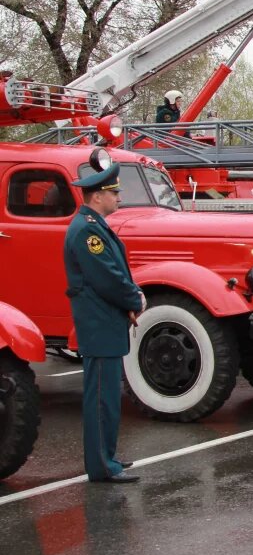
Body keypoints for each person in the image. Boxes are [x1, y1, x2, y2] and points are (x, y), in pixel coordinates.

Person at [64, 162, 146, 483]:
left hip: (106, 323)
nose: (119, 198)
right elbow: (107, 278)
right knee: (101, 399)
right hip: (99, 324)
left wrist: (129, 297)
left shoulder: (94, 225)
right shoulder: (87, 230)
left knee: (108, 398)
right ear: (97, 196)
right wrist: (134, 299)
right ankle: (101, 466)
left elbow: (114, 271)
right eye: (114, 193)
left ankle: (107, 457)